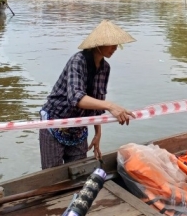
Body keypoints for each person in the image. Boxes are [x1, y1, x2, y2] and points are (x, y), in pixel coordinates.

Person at [39, 19, 137, 169]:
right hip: (55, 123)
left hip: (78, 127)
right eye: (111, 44)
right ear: (98, 45)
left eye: (117, 44)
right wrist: (111, 106)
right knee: (52, 177)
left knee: (79, 173)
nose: (115, 48)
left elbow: (97, 103)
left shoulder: (105, 68)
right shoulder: (77, 61)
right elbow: (76, 97)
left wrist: (98, 134)